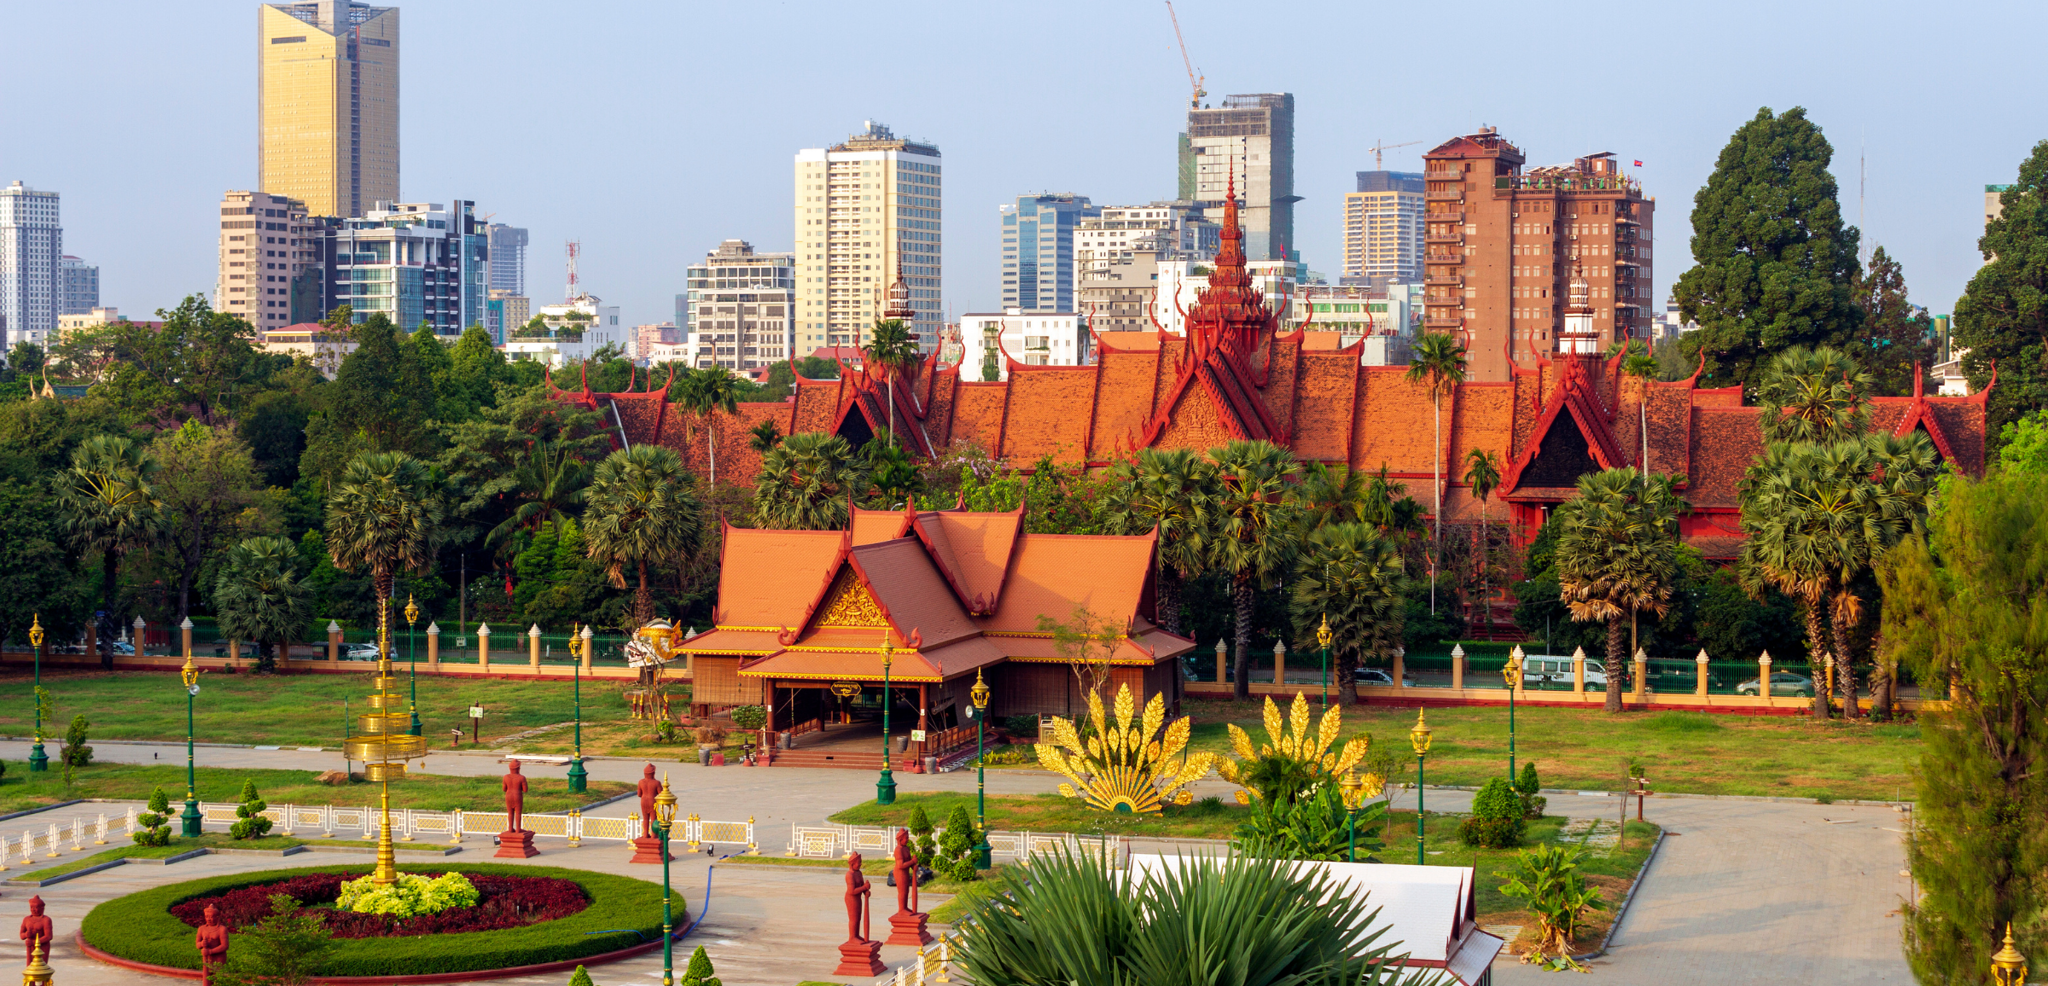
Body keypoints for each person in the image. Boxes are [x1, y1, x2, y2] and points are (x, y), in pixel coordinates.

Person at [194, 903, 230, 986]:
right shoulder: (202, 929)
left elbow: (225, 945)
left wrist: (210, 951)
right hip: (207, 959)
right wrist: (202, 944)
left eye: (211, 917)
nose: (208, 919)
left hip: (218, 958)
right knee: (207, 980)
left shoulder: (222, 929)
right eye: (207, 917)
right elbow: (197, 944)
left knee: (217, 979)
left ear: (217, 917)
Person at [842, 852, 872, 944]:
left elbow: (862, 885)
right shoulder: (849, 875)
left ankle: (856, 935)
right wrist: (864, 888)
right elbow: (852, 891)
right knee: (853, 918)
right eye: (859, 863)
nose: (860, 864)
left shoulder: (859, 873)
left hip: (858, 898)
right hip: (851, 898)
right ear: (852, 864)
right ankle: (852, 937)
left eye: (860, 862)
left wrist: (866, 891)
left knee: (858, 917)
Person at [892, 827, 919, 915]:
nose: (907, 840)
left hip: (906, 872)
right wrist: (912, 862)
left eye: (907, 838)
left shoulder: (906, 848)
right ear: (900, 840)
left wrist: (913, 866)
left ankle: (905, 907)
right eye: (906, 838)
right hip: (900, 873)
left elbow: (909, 860)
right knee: (902, 891)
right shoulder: (898, 850)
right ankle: (901, 909)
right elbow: (900, 865)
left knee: (906, 890)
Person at [18, 895, 51, 966]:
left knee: (40, 966)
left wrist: (34, 942)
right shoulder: (27, 919)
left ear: (41, 908)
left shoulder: (46, 920)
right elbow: (21, 935)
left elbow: (48, 936)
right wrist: (26, 934)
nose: (33, 910)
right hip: (30, 946)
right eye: (31, 907)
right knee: (30, 966)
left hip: (42, 947)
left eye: (35, 907)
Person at [501, 760, 529, 832]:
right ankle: (518, 829)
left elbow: (504, 789)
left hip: (508, 795)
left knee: (510, 813)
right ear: (518, 768)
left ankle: (510, 828)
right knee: (518, 813)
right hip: (517, 795)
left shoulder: (505, 777)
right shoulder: (522, 778)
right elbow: (525, 790)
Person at [635, 764, 661, 833]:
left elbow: (639, 794)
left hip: (643, 801)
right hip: (652, 801)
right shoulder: (656, 782)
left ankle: (645, 834)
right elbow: (661, 794)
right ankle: (653, 834)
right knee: (653, 818)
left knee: (645, 818)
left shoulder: (641, 782)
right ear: (653, 773)